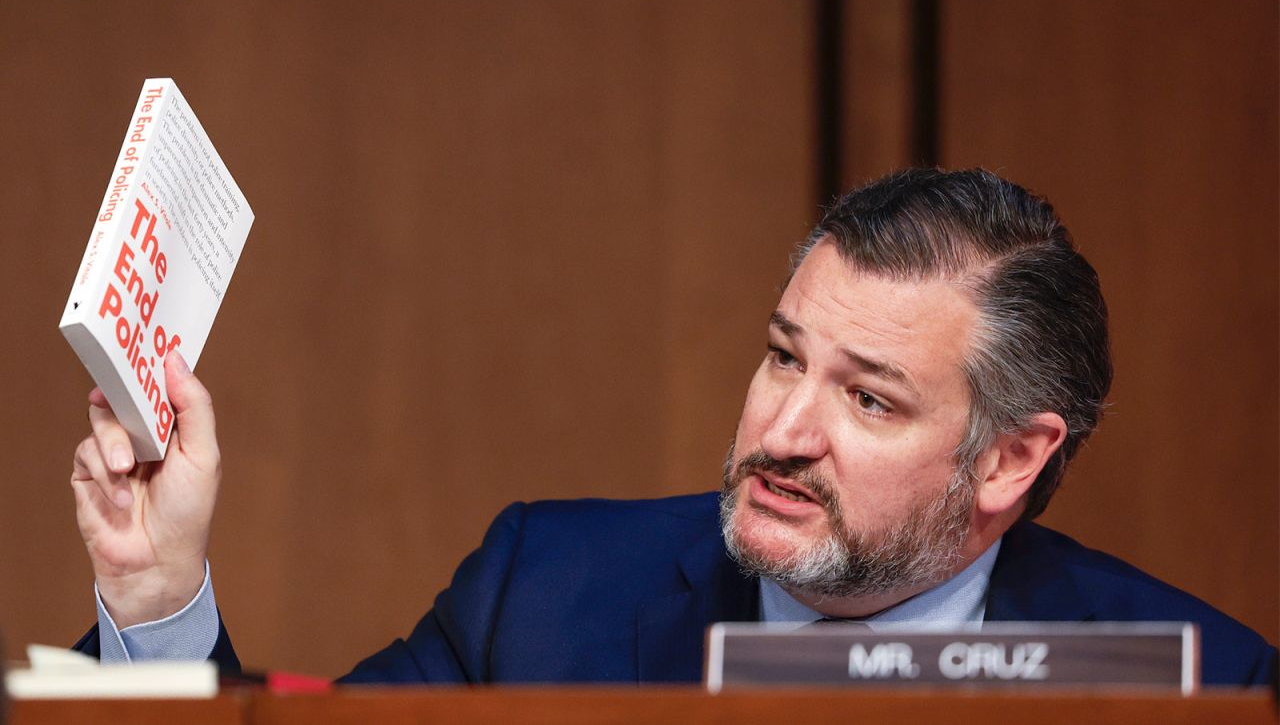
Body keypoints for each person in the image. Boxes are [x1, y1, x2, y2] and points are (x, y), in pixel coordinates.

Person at [70, 168, 1276, 685]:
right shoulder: (542, 594)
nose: (782, 428)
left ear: (1010, 457)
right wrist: (157, 593)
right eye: (780, 356)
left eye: (866, 398)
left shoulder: (1201, 682)